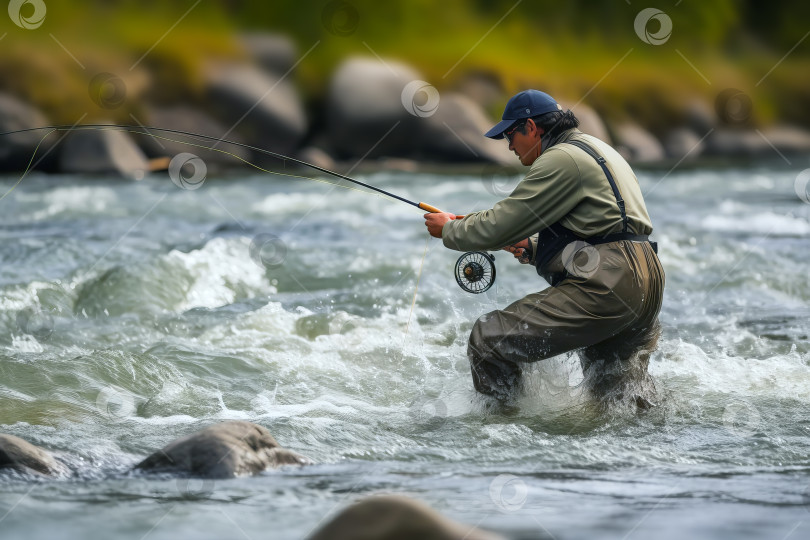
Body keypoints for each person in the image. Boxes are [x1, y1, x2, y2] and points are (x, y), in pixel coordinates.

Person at [424, 90, 665, 407]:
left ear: (531, 127)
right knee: (620, 399)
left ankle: (501, 436)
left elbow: (501, 223)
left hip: (610, 284)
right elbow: (610, 232)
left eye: (511, 134)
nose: (509, 146)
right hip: (646, 280)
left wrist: (451, 229)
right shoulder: (599, 149)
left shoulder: (560, 159)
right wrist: (535, 248)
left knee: (490, 339)